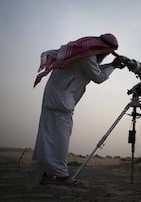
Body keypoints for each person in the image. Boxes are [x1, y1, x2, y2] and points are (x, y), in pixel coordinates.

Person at [32, 33, 125, 185]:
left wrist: (111, 66)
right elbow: (98, 77)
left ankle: (48, 174)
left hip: (54, 98)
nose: (105, 56)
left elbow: (92, 70)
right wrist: (113, 66)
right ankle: (62, 176)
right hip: (61, 102)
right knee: (61, 136)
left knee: (49, 135)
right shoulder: (87, 57)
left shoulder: (83, 54)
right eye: (107, 53)